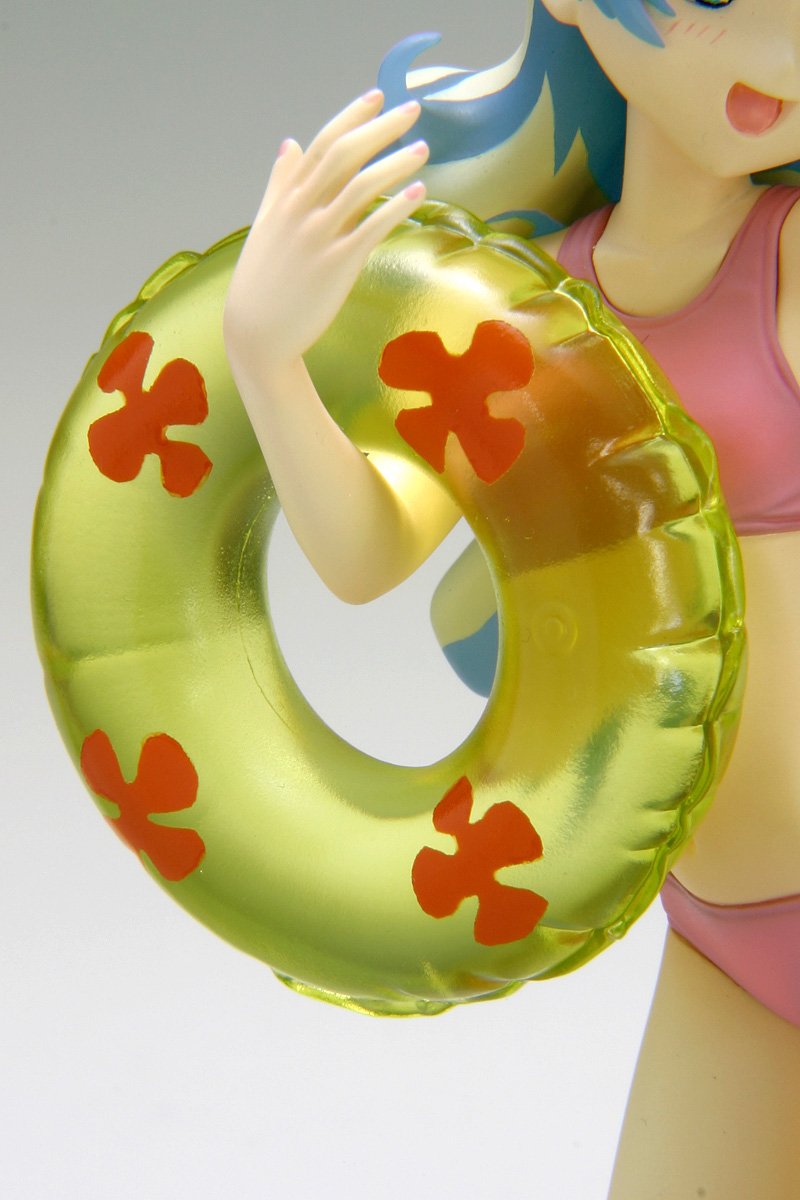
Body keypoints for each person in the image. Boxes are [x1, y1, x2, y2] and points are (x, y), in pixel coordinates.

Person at [223, 2, 800, 1194]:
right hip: (722, 930)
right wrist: (266, 357)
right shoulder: (535, 314)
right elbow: (370, 551)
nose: (782, 59)